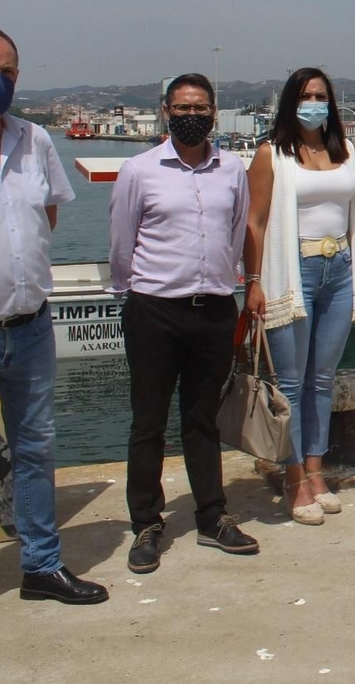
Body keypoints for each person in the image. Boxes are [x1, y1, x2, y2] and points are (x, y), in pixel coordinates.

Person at [0, 27, 109, 649]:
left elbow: (45, 216)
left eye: (8, 69)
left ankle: (40, 566)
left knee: (37, 452)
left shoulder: (35, 140)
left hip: (30, 329)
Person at [109, 73, 259, 574]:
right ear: (165, 111)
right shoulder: (140, 170)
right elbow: (121, 243)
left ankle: (212, 516)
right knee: (148, 422)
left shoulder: (232, 168)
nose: (190, 116)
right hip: (154, 309)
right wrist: (133, 295)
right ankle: (147, 524)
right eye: (181, 108)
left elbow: (239, 230)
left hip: (214, 309)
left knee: (202, 419)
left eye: (199, 108)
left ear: (215, 113)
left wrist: (245, 284)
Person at [243, 68, 355, 525]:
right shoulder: (272, 155)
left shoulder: (345, 151)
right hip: (296, 270)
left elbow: (353, 209)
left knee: (322, 379)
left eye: (322, 96)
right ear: (291, 101)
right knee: (290, 382)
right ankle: (292, 479)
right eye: (307, 95)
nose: (315, 103)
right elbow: (254, 221)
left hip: (340, 269)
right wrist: (252, 280)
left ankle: (316, 471)